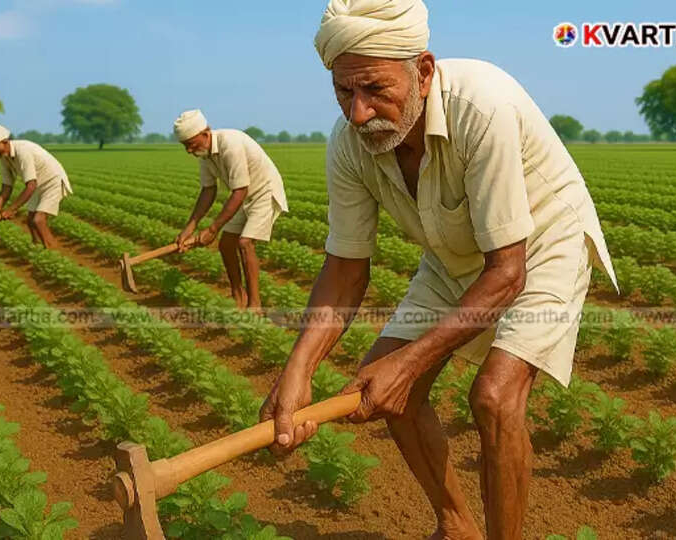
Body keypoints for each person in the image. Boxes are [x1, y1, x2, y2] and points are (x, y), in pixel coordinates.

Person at [259, 1, 619, 538]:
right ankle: (456, 525)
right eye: (344, 92)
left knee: (495, 398)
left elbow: (507, 272)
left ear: (423, 71)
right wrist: (299, 371)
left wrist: (408, 364)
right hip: (453, 256)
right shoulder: (349, 144)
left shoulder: (482, 106)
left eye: (375, 89)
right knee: (382, 389)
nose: (359, 112)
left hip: (541, 247)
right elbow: (345, 267)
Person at [173, 110, 289, 309]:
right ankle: (238, 293)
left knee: (244, 243)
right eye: (185, 146)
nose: (189, 150)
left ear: (206, 133)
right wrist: (190, 227)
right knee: (226, 245)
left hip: (264, 191)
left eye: (191, 144)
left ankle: (255, 304)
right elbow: (208, 191)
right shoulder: (205, 156)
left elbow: (240, 190)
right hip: (244, 196)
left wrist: (212, 229)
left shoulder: (230, 145)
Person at [0, 124, 73, 249]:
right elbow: (6, 188)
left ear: (4, 141)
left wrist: (11, 210)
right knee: (30, 221)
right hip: (38, 184)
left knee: (38, 220)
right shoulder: (3, 158)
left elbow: (30, 186)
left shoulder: (23, 151)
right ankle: (36, 249)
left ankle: (52, 251)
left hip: (53, 181)